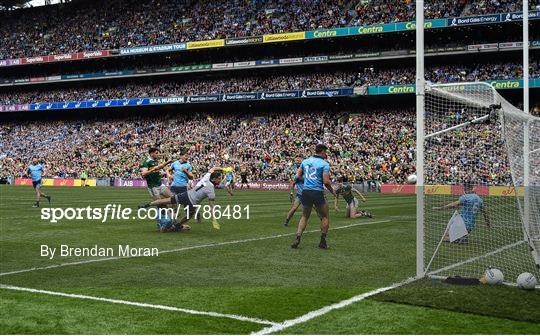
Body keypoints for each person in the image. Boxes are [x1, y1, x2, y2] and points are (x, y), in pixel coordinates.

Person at [139, 167, 223, 230]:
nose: (221, 180)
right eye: (219, 178)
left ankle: (148, 204)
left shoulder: (207, 176)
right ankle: (177, 226)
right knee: (189, 215)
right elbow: (211, 206)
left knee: (167, 200)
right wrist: (213, 219)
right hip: (192, 202)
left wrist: (223, 169)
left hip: (186, 194)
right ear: (214, 179)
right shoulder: (211, 190)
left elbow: (213, 168)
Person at [291, 144, 336, 249]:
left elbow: (297, 177)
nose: (326, 154)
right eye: (326, 152)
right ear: (322, 152)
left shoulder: (305, 161)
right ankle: (323, 241)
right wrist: (332, 191)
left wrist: (306, 180)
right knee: (325, 216)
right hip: (317, 192)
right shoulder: (324, 164)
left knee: (305, 216)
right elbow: (326, 182)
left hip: (305, 191)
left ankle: (298, 237)